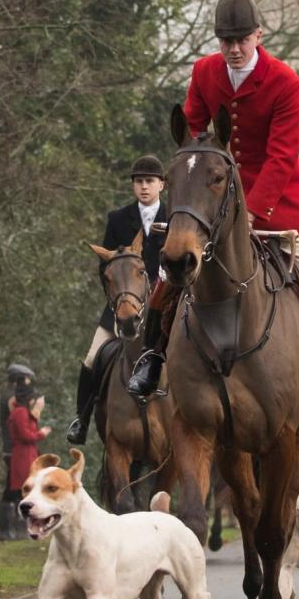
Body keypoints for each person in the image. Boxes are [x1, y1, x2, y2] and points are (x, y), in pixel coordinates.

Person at [127, 0, 299, 402]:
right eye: (226, 41)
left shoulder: (285, 82)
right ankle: (153, 357)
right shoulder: (204, 72)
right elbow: (193, 134)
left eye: (241, 40)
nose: (233, 49)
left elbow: (282, 157)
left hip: (281, 202)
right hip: (215, 198)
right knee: (169, 271)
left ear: (258, 35)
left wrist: (253, 213)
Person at [67, 156, 169, 445]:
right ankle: (82, 419)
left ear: (161, 184)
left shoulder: (175, 216)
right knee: (90, 357)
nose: (144, 187)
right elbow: (105, 268)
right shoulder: (118, 219)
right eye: (139, 182)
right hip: (123, 306)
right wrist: (118, 300)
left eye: (150, 181)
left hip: (166, 306)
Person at [0, 363, 35, 539]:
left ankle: (12, 530)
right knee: (14, 489)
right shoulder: (13, 398)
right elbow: (22, 420)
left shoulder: (9, 395)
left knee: (13, 488)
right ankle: (12, 530)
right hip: (14, 449)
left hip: (12, 448)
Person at [8, 386, 51, 497]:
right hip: (24, 456)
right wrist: (41, 434)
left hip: (27, 454)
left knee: (29, 488)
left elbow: (29, 430)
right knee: (26, 488)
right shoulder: (20, 412)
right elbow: (26, 435)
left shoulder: (23, 412)